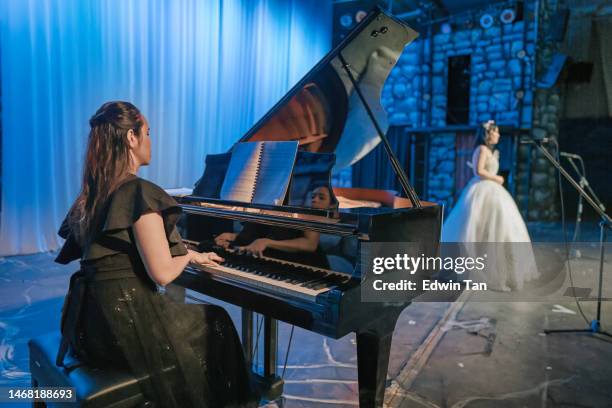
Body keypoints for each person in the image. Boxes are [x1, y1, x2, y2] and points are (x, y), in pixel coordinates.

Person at [55, 101, 258, 407]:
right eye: (147, 132)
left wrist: (183, 251)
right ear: (131, 138)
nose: (151, 140)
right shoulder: (137, 192)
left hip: (92, 328)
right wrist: (189, 257)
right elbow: (162, 273)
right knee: (217, 320)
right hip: (125, 330)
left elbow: (122, 250)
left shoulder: (93, 194)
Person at [441, 120, 539, 291]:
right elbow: (478, 171)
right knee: (475, 226)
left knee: (500, 225)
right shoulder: (482, 149)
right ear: (488, 134)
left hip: (493, 190)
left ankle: (500, 270)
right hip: (483, 188)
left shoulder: (492, 151)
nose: (498, 135)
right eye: (496, 132)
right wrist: (497, 178)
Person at [214, 184, 338, 266]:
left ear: (332, 205)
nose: (314, 199)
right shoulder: (292, 209)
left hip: (303, 263)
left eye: (321, 197)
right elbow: (270, 234)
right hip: (270, 259)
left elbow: (310, 244)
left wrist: (266, 242)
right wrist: (234, 237)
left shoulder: (313, 215)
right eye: (313, 196)